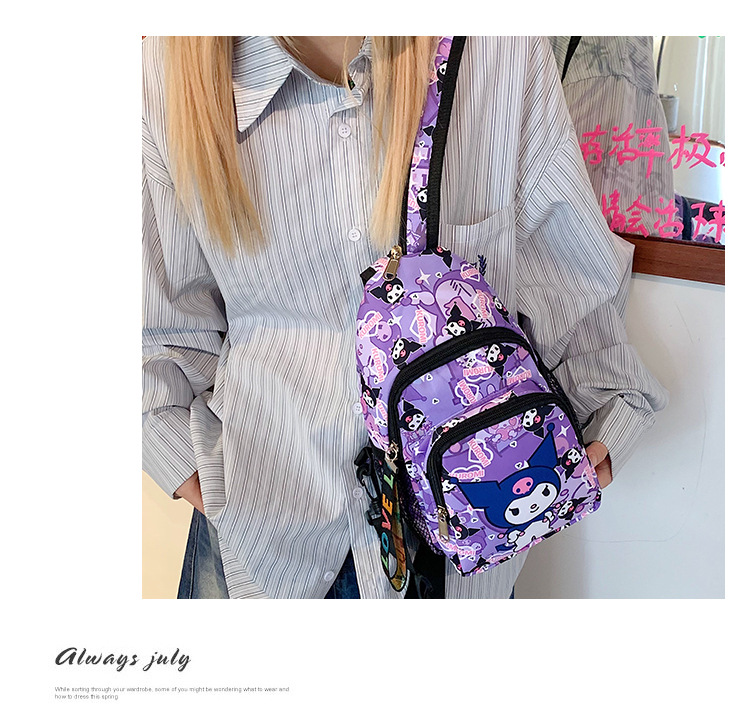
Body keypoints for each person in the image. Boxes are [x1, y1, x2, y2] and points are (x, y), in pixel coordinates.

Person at [142, 36, 669, 599]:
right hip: (260, 551)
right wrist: (202, 476)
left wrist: (600, 428)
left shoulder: (497, 51)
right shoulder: (166, 70)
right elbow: (157, 331)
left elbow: (569, 280)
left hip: (458, 555)